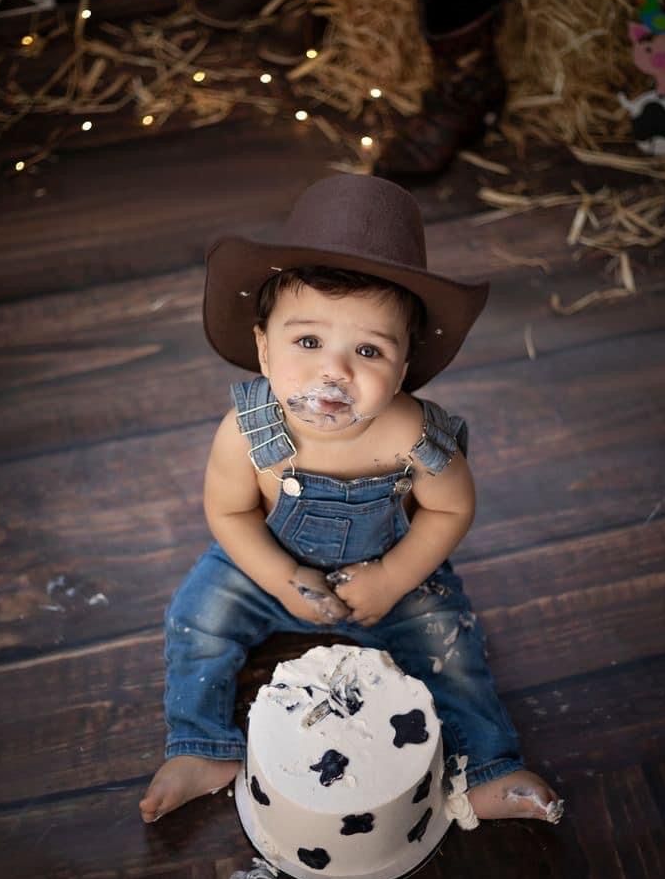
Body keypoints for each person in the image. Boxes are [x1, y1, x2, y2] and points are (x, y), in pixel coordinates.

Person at [139, 174, 563, 826]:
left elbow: (451, 510)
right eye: (307, 342)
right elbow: (229, 512)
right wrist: (283, 581)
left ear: (403, 367)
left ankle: (488, 768)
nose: (333, 371)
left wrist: (393, 577)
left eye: (368, 350)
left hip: (390, 569)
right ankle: (201, 745)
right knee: (198, 618)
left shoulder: (413, 436)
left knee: (453, 647)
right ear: (262, 346)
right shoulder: (249, 430)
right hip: (267, 567)